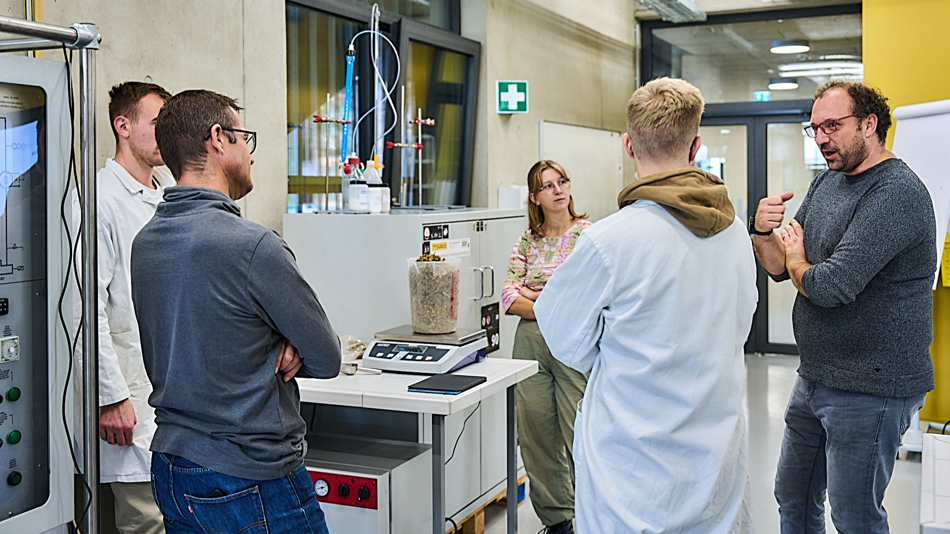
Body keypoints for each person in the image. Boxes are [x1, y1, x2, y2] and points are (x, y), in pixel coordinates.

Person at [534, 77, 757, 533]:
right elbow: (742, 321)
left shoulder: (608, 241)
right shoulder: (734, 232)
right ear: (696, 146)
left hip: (630, 482)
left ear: (627, 146)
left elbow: (562, 337)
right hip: (715, 466)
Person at [130, 90, 341, 534]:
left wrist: (270, 342)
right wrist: (284, 344)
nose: (249, 153)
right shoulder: (253, 246)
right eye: (244, 137)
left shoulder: (146, 242)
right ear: (218, 139)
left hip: (173, 470)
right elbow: (327, 357)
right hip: (250, 475)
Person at [751, 80, 935, 533]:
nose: (822, 139)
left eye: (832, 125)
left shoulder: (896, 193)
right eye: (814, 128)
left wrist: (799, 261)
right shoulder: (826, 183)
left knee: (854, 517)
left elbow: (830, 285)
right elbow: (781, 267)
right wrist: (760, 231)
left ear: (869, 124)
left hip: (872, 385)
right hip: (817, 374)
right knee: (792, 497)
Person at [78, 81, 173, 534]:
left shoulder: (171, 190)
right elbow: (84, 307)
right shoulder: (99, 199)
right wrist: (110, 395)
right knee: (146, 520)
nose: (167, 134)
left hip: (175, 395)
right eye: (158, 124)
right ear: (123, 126)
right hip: (131, 398)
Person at [501, 160, 589, 534]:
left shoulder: (588, 235)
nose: (558, 190)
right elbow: (506, 297)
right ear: (534, 198)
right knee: (537, 436)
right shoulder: (527, 241)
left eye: (562, 182)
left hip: (573, 342)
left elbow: (587, 295)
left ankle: (592, 515)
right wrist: (551, 301)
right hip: (530, 345)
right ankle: (557, 521)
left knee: (579, 433)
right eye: (547, 185)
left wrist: (533, 293)